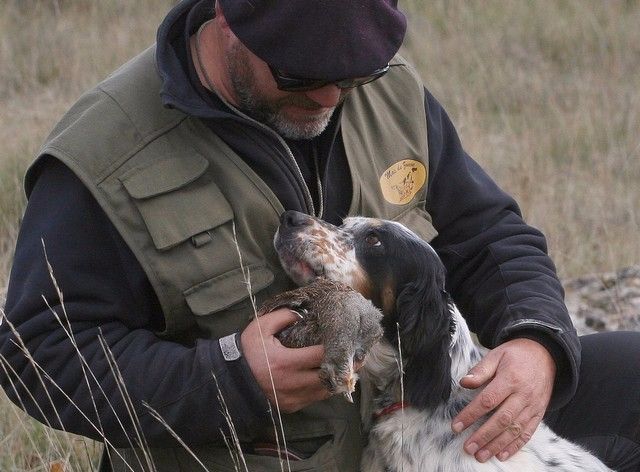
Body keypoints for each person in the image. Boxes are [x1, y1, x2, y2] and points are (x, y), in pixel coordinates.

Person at [1, 1, 639, 471]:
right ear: (228, 18)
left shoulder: (385, 91)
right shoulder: (105, 155)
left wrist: (537, 343)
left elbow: (489, 235)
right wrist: (228, 380)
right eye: (302, 77)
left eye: (356, 75)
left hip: (418, 432)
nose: (333, 95)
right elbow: (36, 357)